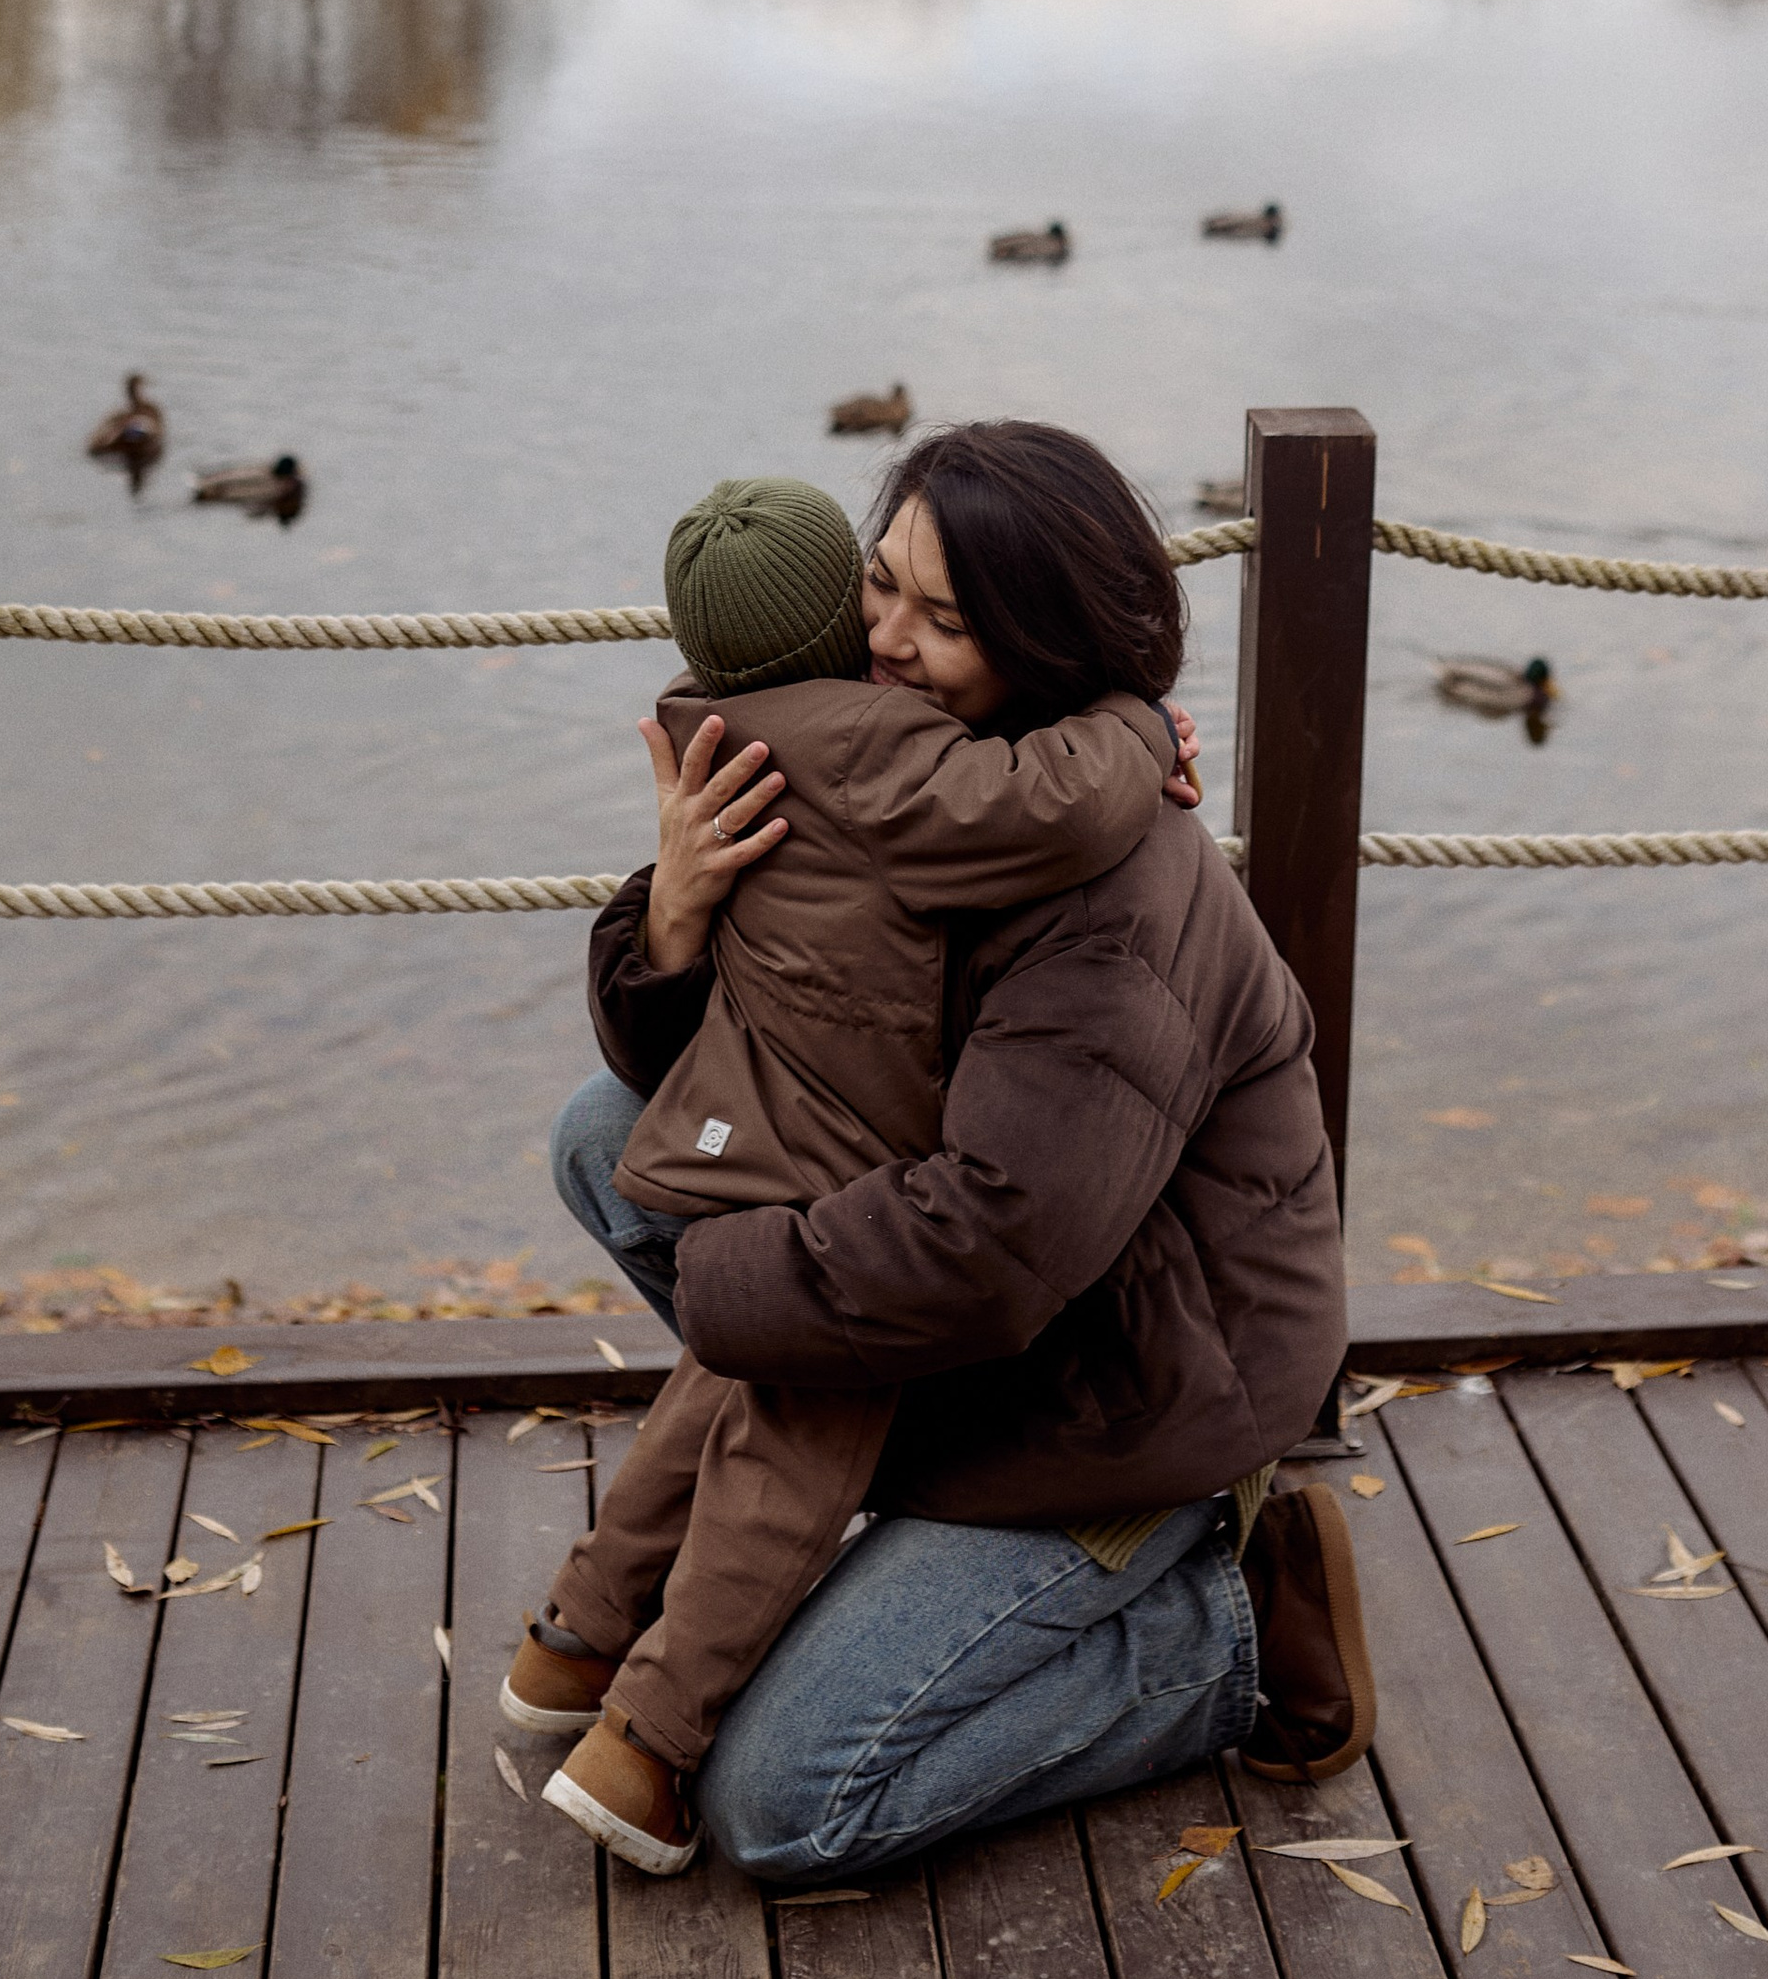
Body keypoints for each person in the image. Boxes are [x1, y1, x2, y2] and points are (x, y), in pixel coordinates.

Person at [544, 419, 1370, 1885]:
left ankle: (1227, 1627)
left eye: (946, 617)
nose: (888, 641)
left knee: (784, 1803)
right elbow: (750, 1046)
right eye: (880, 588)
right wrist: (673, 914)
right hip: (976, 1340)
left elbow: (988, 1249)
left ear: (1045, 638)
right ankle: (823, 1497)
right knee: (611, 1144)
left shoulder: (1108, 884)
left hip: (1124, 1391)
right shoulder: (897, 769)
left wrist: (729, 1291)